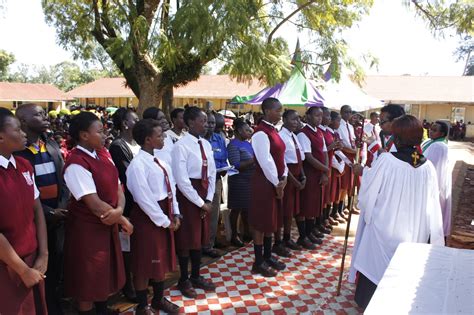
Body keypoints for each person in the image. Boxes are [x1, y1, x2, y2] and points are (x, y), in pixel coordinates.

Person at [349, 115, 445, 310]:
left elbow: (368, 194)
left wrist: (361, 173)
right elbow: (433, 203)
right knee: (404, 271)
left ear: (398, 139)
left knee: (377, 269)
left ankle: (372, 305)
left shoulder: (387, 161)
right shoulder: (427, 167)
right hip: (414, 229)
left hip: (385, 227)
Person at [63, 112, 133, 314]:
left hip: (109, 222)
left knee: (104, 273)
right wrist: (122, 219)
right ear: (84, 135)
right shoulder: (76, 163)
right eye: (100, 131)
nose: (105, 135)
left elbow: (118, 186)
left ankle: (103, 309)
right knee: (88, 279)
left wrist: (119, 210)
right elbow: (94, 204)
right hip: (88, 230)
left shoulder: (103, 153)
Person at [15, 103, 70, 314]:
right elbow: (24, 192)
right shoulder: (18, 151)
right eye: (39, 114)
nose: (46, 116)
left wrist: (62, 207)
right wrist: (47, 213)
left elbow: (64, 180)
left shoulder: (52, 145)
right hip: (34, 221)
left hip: (59, 220)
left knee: (56, 268)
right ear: (24, 121)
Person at [126, 119, 181, 314]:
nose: (164, 137)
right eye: (159, 135)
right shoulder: (137, 165)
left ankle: (158, 299)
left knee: (160, 260)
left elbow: (171, 187)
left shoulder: (160, 161)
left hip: (165, 213)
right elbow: (144, 199)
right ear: (148, 140)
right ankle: (142, 305)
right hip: (148, 219)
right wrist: (165, 221)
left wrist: (175, 212)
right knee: (144, 263)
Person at [0, 108, 48, 315]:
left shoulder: (24, 165)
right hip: (7, 265)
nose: (24, 134)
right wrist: (21, 269)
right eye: (18, 129)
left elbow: (37, 210)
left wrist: (43, 255)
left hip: (32, 260)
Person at [171, 106, 217, 298]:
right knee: (187, 239)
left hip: (204, 194)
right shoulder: (180, 146)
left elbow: (212, 172)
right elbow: (182, 180)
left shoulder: (205, 144)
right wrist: (200, 202)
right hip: (189, 196)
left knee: (199, 238)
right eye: (202, 121)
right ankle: (184, 278)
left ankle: (196, 274)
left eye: (207, 121)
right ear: (190, 123)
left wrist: (209, 198)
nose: (206, 125)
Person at [250, 98, 288, 277]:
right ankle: (258, 262)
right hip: (264, 183)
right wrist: (276, 182)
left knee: (270, 220)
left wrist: (285, 176)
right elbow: (265, 161)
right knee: (261, 221)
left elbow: (281, 156)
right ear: (266, 111)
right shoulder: (260, 133)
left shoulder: (274, 131)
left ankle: (267, 256)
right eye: (277, 110)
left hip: (276, 181)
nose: (280, 114)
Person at [108, 108, 140, 301]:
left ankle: (140, 279)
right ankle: (128, 285)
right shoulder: (118, 146)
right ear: (125, 124)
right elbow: (130, 174)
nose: (139, 122)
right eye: (135, 119)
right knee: (127, 246)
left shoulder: (137, 143)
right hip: (128, 203)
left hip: (141, 201)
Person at [297, 106, 329, 246]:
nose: (319, 118)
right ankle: (303, 236)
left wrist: (324, 172)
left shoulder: (320, 133)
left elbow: (325, 152)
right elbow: (308, 157)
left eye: (321, 116)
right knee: (305, 205)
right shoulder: (304, 133)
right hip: (309, 173)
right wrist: (325, 169)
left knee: (314, 205)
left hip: (319, 173)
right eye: (316, 116)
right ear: (308, 116)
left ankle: (310, 232)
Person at [276, 109, 306, 253]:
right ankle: (278, 241)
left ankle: (287, 237)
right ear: (285, 120)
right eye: (293, 119)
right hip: (287, 177)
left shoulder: (294, 136)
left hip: (297, 173)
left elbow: (300, 159)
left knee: (291, 211)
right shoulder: (281, 136)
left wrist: (303, 176)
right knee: (283, 211)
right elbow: (283, 163)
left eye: (298, 119)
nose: (297, 122)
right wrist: (294, 180)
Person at [203, 112, 228, 258]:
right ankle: (197, 245)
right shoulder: (196, 141)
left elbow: (224, 158)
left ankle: (209, 245)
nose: (210, 126)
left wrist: (224, 169)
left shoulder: (219, 139)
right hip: (198, 183)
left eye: (213, 123)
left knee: (213, 214)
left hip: (216, 180)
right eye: (207, 122)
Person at [227, 118, 255, 247]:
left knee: (247, 209)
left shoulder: (248, 144)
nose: (250, 132)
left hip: (249, 179)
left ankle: (247, 232)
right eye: (247, 130)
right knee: (236, 209)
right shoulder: (233, 145)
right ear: (238, 131)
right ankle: (234, 235)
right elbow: (236, 165)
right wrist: (254, 160)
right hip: (238, 180)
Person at [422, 120, 452, 237]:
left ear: (442, 133)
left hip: (435, 183)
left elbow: (430, 165)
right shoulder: (430, 142)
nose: (431, 131)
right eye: (431, 128)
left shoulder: (439, 146)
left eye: (434, 130)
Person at [336, 105, 356, 220]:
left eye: (350, 112)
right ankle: (337, 210)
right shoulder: (340, 126)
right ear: (342, 112)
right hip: (343, 156)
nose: (348, 114)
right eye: (346, 112)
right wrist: (352, 150)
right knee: (342, 185)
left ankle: (342, 207)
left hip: (352, 155)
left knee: (348, 184)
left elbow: (351, 141)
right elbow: (342, 145)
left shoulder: (350, 126)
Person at [327, 111, 346, 225]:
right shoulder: (328, 133)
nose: (339, 123)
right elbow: (329, 153)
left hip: (338, 165)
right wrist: (338, 166)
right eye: (338, 120)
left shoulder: (336, 133)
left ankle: (332, 213)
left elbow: (339, 151)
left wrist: (344, 163)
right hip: (332, 166)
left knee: (335, 191)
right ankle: (325, 217)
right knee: (329, 193)